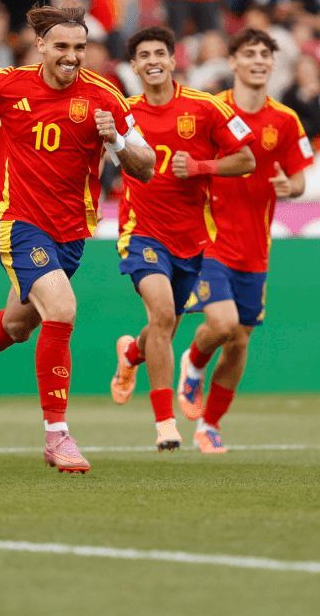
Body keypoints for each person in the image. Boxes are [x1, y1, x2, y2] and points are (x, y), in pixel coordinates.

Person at [0, 5, 155, 474]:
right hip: (16, 220)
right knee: (64, 308)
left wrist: (115, 142)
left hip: (70, 231)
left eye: (79, 48)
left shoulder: (106, 97)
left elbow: (146, 166)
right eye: (62, 47)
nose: (72, 57)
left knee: (18, 326)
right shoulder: (7, 83)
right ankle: (57, 435)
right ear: (41, 47)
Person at [108, 27, 255, 450]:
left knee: (163, 327)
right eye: (143, 55)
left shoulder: (205, 108)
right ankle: (164, 424)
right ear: (133, 66)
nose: (152, 61)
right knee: (162, 313)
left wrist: (204, 167)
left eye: (160, 53)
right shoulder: (124, 112)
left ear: (173, 60)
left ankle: (131, 356)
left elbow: (245, 158)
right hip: (141, 230)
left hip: (192, 240)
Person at [177, 29, 314, 454]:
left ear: (273, 65)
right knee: (222, 324)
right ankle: (194, 363)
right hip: (211, 239)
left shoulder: (286, 120)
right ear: (232, 62)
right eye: (249, 53)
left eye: (265, 55)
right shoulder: (212, 111)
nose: (258, 61)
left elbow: (299, 177)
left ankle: (210, 425)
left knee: (239, 340)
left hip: (256, 247)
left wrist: (292, 187)